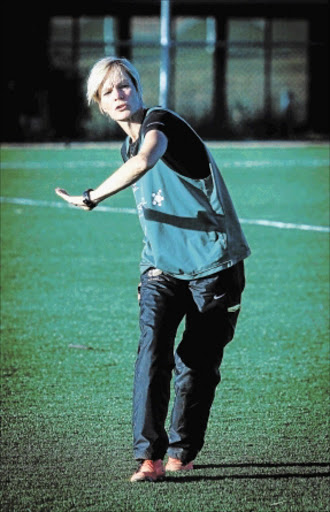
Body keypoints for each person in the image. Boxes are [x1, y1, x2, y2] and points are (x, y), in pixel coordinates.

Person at [55, 57, 251, 483]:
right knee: (151, 352)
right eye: (109, 92)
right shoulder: (124, 147)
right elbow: (150, 212)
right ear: (101, 106)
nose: (119, 95)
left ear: (139, 91)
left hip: (214, 266)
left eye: (125, 86)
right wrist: (146, 271)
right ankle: (149, 458)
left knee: (195, 365)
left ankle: (183, 450)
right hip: (162, 269)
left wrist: (92, 196)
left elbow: (146, 159)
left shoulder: (159, 125)